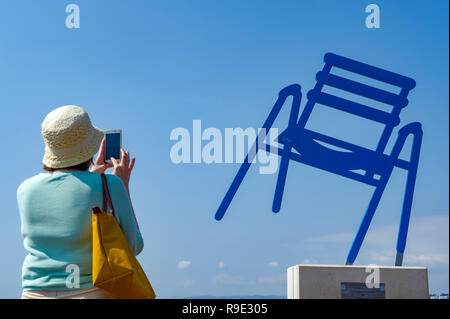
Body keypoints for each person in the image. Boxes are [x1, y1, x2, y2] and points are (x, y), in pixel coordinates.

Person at [18, 105, 142, 299]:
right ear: (89, 151)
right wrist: (122, 184)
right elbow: (134, 246)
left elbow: (67, 197)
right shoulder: (111, 184)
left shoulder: (25, 190)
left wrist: (94, 174)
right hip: (91, 292)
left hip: (34, 293)